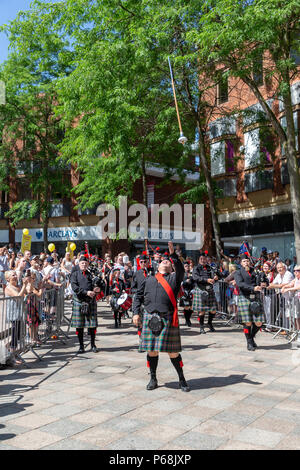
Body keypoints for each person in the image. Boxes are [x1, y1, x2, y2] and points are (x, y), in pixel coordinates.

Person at [133, 241, 190, 392]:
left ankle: (182, 379)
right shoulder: (149, 279)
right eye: (163, 260)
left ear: (171, 267)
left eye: (168, 261)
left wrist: (173, 255)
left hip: (168, 318)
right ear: (157, 266)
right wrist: (135, 313)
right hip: (150, 318)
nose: (165, 261)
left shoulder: (174, 278)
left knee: (173, 352)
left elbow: (180, 270)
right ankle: (153, 378)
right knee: (151, 351)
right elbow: (138, 296)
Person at [70, 256, 100, 353]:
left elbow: (96, 286)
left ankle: (93, 345)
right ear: (79, 264)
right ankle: (81, 346)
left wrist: (97, 289)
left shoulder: (91, 275)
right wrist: (86, 292)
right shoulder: (74, 274)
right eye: (82, 263)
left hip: (90, 302)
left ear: (88, 265)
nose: (84, 265)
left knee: (92, 326)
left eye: (85, 263)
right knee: (79, 326)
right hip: (79, 301)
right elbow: (74, 287)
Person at [234, 255, 264, 351]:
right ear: (241, 263)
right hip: (244, 298)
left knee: (259, 322)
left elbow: (263, 278)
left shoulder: (254, 271)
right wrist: (253, 288)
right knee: (248, 322)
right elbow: (240, 284)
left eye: (247, 261)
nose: (246, 263)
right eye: (244, 261)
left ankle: (251, 337)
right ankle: (249, 342)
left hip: (255, 297)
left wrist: (264, 283)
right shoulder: (238, 272)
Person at [192, 252, 220, 334]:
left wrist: (216, 277)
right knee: (201, 311)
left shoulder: (210, 268)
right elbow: (195, 277)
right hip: (200, 290)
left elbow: (219, 275)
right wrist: (206, 280)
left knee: (213, 310)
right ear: (199, 260)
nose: (203, 260)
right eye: (201, 259)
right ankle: (201, 327)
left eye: (204, 259)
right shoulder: (196, 268)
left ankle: (209, 323)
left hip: (210, 290)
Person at [5, 270, 28, 364]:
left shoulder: (18, 286)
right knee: (15, 334)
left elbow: (26, 293)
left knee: (19, 334)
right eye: (13, 275)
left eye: (15, 274)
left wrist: (27, 284)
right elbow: (18, 296)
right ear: (8, 278)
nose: (15, 276)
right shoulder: (8, 288)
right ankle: (11, 356)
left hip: (20, 312)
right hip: (13, 313)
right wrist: (24, 286)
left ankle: (9, 351)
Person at [282, 265, 300, 340]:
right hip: (296, 300)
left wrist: (288, 289)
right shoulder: (296, 278)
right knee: (295, 316)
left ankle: (298, 333)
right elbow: (291, 284)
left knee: (297, 317)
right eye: (294, 271)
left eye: (298, 270)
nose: (296, 272)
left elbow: (298, 287)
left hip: (298, 299)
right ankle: (297, 332)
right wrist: (285, 287)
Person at [180, 262, 194, 327]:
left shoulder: (192, 274)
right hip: (184, 292)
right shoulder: (181, 274)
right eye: (186, 266)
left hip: (191, 292)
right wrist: (185, 281)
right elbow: (180, 283)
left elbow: (195, 282)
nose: (187, 267)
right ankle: (188, 320)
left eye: (188, 266)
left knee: (191, 307)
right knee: (186, 307)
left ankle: (188, 319)